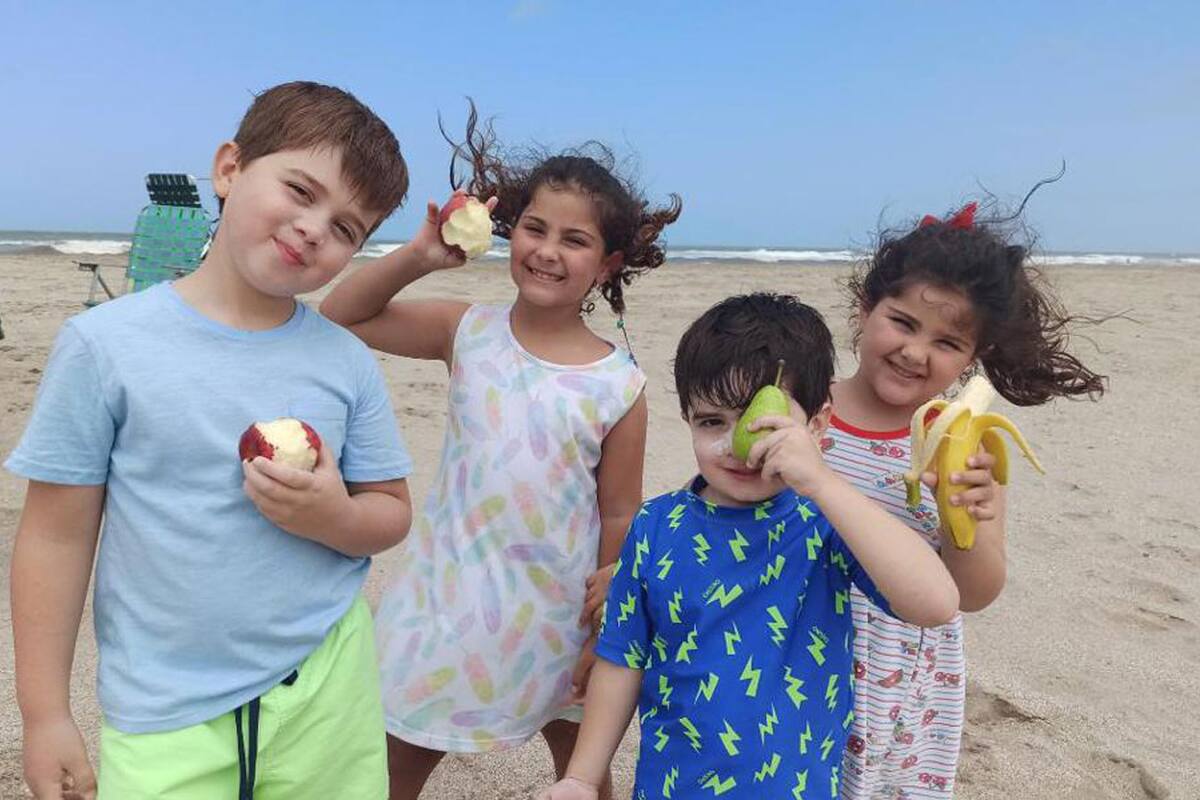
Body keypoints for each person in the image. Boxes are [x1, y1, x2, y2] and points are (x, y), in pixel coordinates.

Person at [7, 81, 414, 800]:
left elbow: (391, 510)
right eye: (299, 190)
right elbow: (55, 537)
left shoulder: (345, 360)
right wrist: (45, 717)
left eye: (348, 228)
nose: (314, 229)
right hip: (166, 706)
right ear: (229, 168)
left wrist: (334, 517)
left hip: (327, 686)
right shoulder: (105, 346)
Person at [319, 104, 682, 799]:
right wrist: (421, 256)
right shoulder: (466, 330)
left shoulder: (619, 385)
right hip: (444, 606)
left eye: (575, 240)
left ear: (607, 263)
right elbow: (343, 315)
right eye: (535, 229)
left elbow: (618, 514)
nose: (547, 250)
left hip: (558, 618)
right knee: (389, 767)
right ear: (511, 233)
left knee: (582, 770)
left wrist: (605, 622)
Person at [535, 292, 960, 799]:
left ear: (817, 423)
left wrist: (823, 483)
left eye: (762, 422)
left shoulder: (827, 522)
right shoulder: (656, 526)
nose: (738, 445)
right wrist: (583, 777)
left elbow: (936, 604)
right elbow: (622, 658)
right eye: (711, 421)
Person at [829, 201, 1106, 798]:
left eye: (947, 342)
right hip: (796, 651)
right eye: (902, 322)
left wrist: (968, 520)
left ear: (971, 358)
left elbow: (975, 593)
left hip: (898, 680)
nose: (915, 352)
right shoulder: (806, 412)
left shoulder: (968, 447)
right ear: (864, 309)